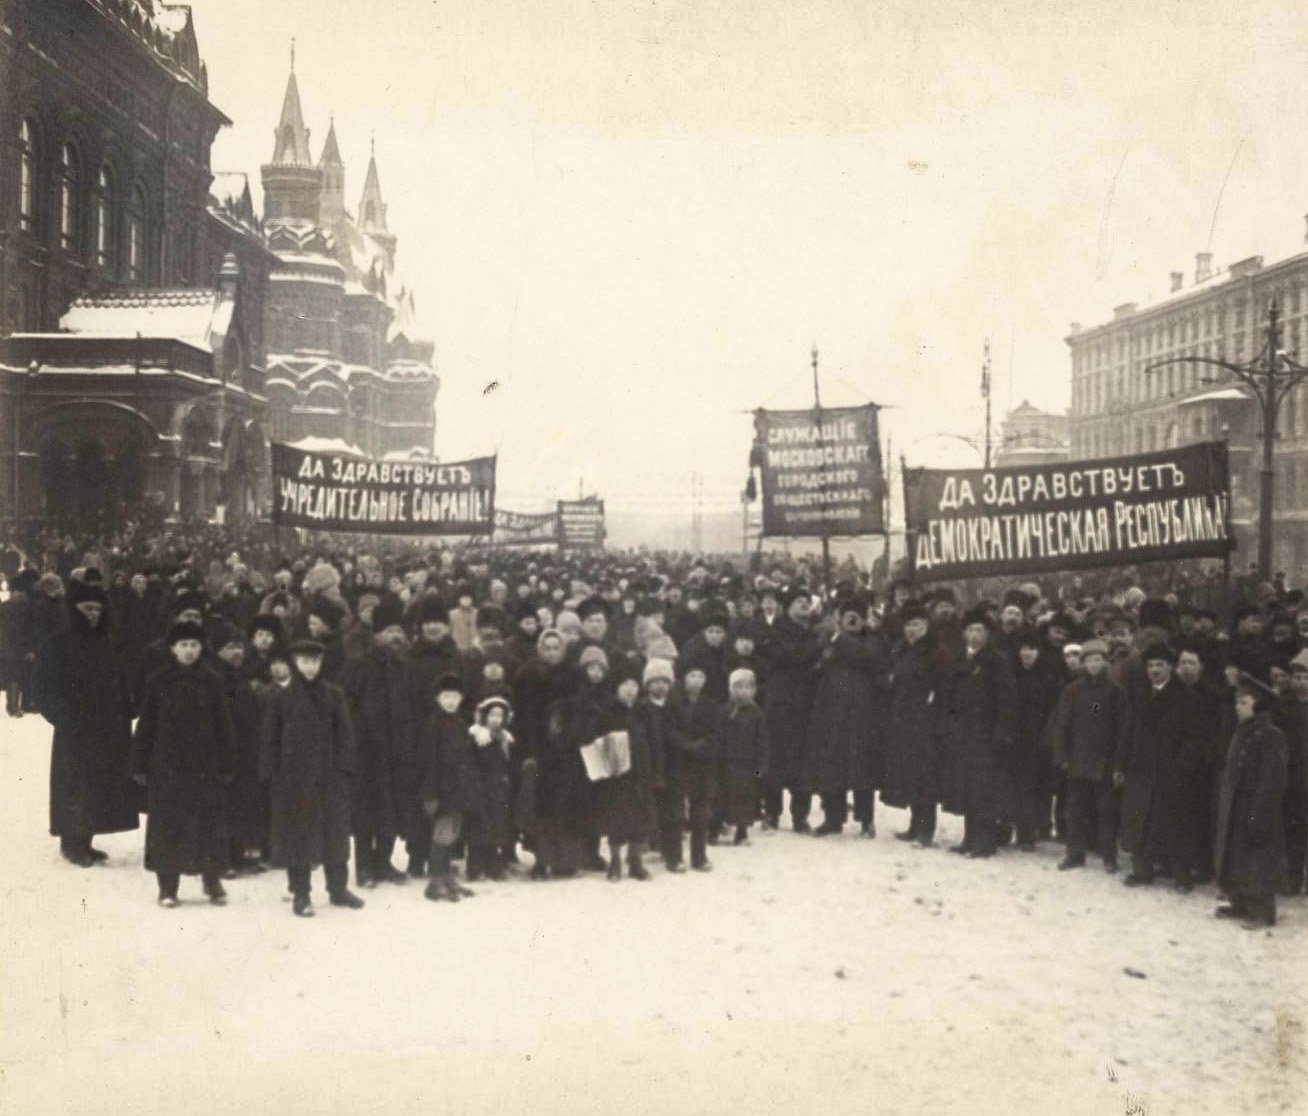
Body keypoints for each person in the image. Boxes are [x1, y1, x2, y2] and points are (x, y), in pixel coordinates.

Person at [33, 580, 140, 866]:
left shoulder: (108, 641)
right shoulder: (59, 642)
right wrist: (63, 717)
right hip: (76, 729)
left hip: (108, 726)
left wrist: (128, 706)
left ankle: (87, 839)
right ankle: (72, 843)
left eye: (97, 608)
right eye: (87, 608)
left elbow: (123, 677)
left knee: (101, 784)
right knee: (76, 784)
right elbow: (44, 686)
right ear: (74, 609)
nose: (93, 614)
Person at [130, 620, 235, 907]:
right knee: (168, 824)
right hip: (167, 765)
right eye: (183, 645)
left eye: (194, 645)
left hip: (205, 764)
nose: (189, 650)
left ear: (202, 648)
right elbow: (146, 724)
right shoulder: (158, 681)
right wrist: (139, 764)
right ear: (173, 648)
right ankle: (168, 886)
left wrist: (227, 763)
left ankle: (212, 880)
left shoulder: (213, 681)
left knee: (209, 823)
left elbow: (223, 725)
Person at [260, 639, 365, 917]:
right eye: (304, 661)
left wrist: (344, 769)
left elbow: (345, 735)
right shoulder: (281, 698)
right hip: (294, 780)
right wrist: (272, 773)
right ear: (295, 663)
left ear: (321, 663)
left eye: (314, 661)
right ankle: (301, 893)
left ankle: (338, 889)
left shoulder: (334, 695)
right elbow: (270, 738)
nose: (309, 667)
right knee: (298, 836)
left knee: (336, 834)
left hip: (330, 779)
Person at [341, 597, 422, 887]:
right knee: (366, 812)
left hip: (399, 751)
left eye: (400, 631)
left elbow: (414, 709)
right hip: (367, 753)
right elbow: (345, 709)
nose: (396, 636)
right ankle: (364, 867)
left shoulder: (406, 669)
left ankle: (383, 861)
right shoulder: (358, 666)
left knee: (393, 809)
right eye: (389, 631)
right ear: (376, 635)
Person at [1117, 643, 1205, 891]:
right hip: (1141, 769)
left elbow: (1195, 737)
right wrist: (1121, 763)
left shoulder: (1186, 697)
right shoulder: (1139, 695)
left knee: (1176, 823)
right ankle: (1142, 870)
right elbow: (1128, 732)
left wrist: (1183, 766)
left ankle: (1181, 876)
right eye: (1150, 665)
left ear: (1170, 667)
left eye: (1160, 665)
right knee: (1140, 820)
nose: (1154, 670)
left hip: (1172, 771)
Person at [803, 595, 891, 837]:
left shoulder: (873, 639)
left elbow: (868, 657)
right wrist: (824, 655)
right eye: (847, 617)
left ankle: (866, 820)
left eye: (857, 617)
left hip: (863, 713)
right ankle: (833, 818)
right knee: (832, 766)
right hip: (831, 711)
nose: (852, 621)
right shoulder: (827, 638)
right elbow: (814, 664)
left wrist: (840, 639)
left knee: (862, 768)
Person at [940, 607, 1015, 859]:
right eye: (971, 629)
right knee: (967, 788)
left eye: (980, 630)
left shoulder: (998, 661)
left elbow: (1007, 701)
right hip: (963, 734)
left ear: (987, 634)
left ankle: (985, 842)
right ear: (964, 633)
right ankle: (969, 838)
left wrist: (1002, 733)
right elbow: (949, 697)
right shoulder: (958, 659)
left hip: (986, 735)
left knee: (984, 790)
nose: (975, 634)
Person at [1215, 682, 1289, 928]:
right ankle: (1240, 902)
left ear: (1258, 706)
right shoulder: (1242, 731)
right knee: (1238, 855)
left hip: (1258, 806)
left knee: (1258, 858)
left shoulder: (1270, 734)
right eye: (1237, 702)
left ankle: (1262, 911)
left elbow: (1271, 780)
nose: (1238, 707)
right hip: (1238, 804)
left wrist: (1260, 812)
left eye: (1244, 703)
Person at [761, 588, 820, 832]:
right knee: (776, 760)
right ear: (787, 608)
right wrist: (814, 650)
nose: (804, 605)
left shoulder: (814, 632)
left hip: (806, 706)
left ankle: (800, 816)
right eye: (798, 601)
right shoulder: (777, 631)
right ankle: (772, 813)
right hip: (781, 706)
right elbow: (785, 656)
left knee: (803, 763)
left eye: (807, 601)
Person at [882, 603, 941, 847]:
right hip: (904, 720)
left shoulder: (934, 651)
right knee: (911, 775)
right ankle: (915, 825)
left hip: (925, 721)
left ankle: (926, 831)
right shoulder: (902, 649)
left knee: (925, 777)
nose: (911, 630)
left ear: (926, 626)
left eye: (916, 625)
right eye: (908, 625)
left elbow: (939, 686)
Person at [419, 673, 479, 902]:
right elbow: (429, 763)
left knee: (453, 834)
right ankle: (435, 880)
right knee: (441, 836)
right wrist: (430, 794)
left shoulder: (461, 724)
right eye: (446, 696)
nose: (451, 701)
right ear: (437, 699)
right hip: (441, 792)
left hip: (458, 791)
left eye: (455, 696)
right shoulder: (433, 725)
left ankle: (447, 877)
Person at [596, 664, 656, 881]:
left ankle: (635, 860)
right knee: (617, 818)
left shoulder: (642, 711)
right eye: (625, 685)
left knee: (641, 817)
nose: (630, 689)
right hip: (618, 774)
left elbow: (653, 740)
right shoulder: (608, 711)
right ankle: (615, 861)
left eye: (634, 684)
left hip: (641, 771)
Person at [1005, 632, 1062, 850]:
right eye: (1023, 649)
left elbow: (1054, 711)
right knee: (1012, 787)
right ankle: (1009, 829)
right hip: (1014, 740)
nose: (1027, 653)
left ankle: (1029, 833)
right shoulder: (1011, 676)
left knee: (1033, 788)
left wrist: (1047, 737)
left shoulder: (1048, 678)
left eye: (1032, 649)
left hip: (1038, 742)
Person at [668, 664, 722, 871]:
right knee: (676, 812)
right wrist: (685, 745)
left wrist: (702, 747)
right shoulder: (673, 703)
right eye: (692, 675)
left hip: (702, 764)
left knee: (701, 812)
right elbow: (669, 730)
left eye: (701, 675)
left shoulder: (710, 705)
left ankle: (699, 856)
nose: (697, 680)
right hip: (679, 762)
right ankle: (674, 857)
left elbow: (716, 733)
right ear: (683, 678)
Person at [721, 667, 769, 845]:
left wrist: (760, 767)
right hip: (727, 763)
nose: (744, 691)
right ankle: (719, 825)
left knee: (745, 798)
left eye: (749, 687)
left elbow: (763, 742)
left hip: (748, 765)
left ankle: (742, 831)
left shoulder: (757, 714)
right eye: (739, 687)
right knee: (724, 795)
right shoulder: (725, 711)